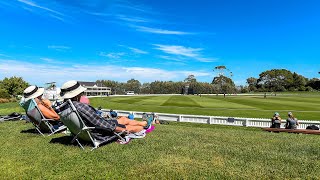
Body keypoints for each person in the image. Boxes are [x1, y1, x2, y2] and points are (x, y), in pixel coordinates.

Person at [59, 80, 153, 136]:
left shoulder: (64, 107)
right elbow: (104, 125)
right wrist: (124, 130)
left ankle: (144, 123)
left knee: (123, 119)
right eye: (81, 93)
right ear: (77, 94)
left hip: (85, 132)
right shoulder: (81, 107)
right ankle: (145, 125)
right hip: (99, 132)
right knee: (134, 127)